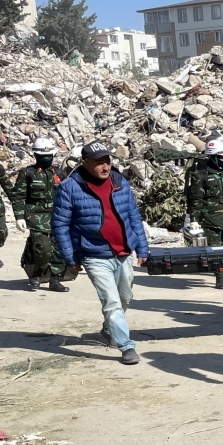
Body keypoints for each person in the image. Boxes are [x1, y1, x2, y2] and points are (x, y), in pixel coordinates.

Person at [50, 141, 149, 365]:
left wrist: (142, 247)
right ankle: (126, 346)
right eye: (99, 163)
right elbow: (60, 226)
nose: (105, 167)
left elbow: (133, 216)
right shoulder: (70, 188)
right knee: (111, 302)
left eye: (107, 162)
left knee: (125, 297)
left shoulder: (119, 181)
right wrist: (71, 258)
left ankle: (108, 330)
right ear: (84, 163)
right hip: (94, 254)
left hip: (123, 252)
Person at [12, 137, 69, 292]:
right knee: (43, 248)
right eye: (43, 156)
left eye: (49, 156)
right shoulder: (27, 173)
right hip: (36, 217)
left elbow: (69, 196)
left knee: (59, 249)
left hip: (58, 217)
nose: (46, 159)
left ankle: (55, 279)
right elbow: (18, 196)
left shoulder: (59, 173)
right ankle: (37, 271)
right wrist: (19, 217)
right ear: (36, 156)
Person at [185, 138, 223, 288]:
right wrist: (194, 220)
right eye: (221, 157)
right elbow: (196, 200)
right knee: (215, 249)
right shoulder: (201, 175)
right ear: (213, 157)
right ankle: (219, 277)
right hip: (210, 219)